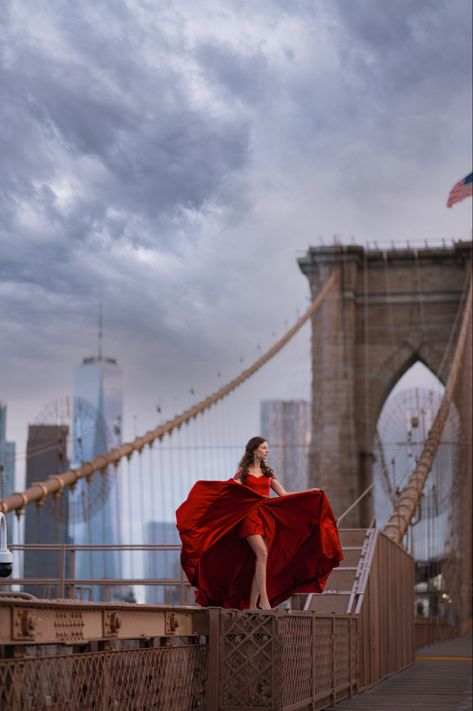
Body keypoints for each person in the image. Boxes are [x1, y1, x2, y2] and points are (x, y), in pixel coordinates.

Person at [176, 436, 342, 610]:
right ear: (254, 450)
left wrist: (309, 492)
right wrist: (231, 484)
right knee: (262, 554)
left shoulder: (268, 474)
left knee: (259, 559)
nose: (267, 450)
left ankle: (253, 604)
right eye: (263, 447)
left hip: (265, 518)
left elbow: (284, 495)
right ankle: (264, 600)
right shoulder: (243, 472)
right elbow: (232, 492)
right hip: (248, 517)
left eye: (267, 447)